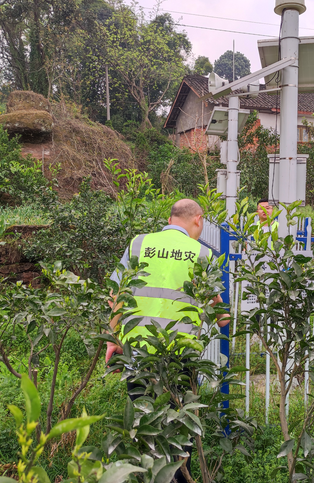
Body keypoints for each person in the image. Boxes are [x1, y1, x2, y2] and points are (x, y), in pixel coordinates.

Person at [105, 198, 229, 483]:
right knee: (179, 421)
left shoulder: (139, 244)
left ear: (171, 218)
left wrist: (113, 339)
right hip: (179, 354)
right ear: (197, 220)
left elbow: (117, 294)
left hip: (137, 351)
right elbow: (220, 315)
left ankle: (147, 474)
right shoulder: (201, 254)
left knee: (143, 420)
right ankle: (179, 477)